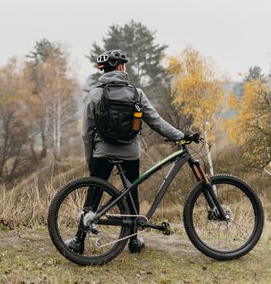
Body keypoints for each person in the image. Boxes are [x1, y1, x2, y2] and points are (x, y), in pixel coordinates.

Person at [66, 49, 197, 254]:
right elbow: (156, 122)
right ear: (120, 67)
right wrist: (180, 135)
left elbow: (86, 134)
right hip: (130, 153)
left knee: (94, 191)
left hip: (103, 152)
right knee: (131, 192)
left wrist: (90, 159)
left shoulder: (95, 94)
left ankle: (79, 240)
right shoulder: (136, 94)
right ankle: (134, 240)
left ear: (104, 70)